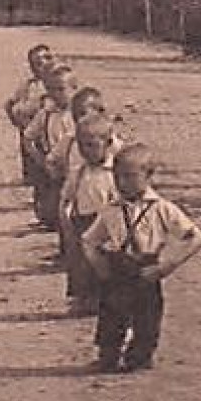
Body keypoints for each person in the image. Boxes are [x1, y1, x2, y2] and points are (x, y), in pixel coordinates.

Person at [81, 144, 201, 373]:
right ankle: (108, 355)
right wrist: (99, 265)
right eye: (118, 177)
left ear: (149, 176)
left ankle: (139, 357)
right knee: (111, 314)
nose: (123, 183)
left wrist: (166, 267)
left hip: (147, 269)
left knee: (147, 318)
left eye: (130, 177)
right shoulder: (111, 210)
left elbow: (196, 238)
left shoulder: (162, 209)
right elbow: (89, 240)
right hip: (118, 267)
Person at [57, 102, 122, 315]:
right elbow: (67, 196)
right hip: (83, 220)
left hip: (108, 222)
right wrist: (65, 218)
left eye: (93, 145)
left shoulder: (116, 171)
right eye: (82, 145)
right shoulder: (79, 171)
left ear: (108, 143)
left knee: (106, 262)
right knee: (81, 263)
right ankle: (83, 298)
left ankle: (106, 298)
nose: (87, 151)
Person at [23, 66, 78, 231]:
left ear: (74, 89)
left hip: (76, 165)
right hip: (54, 165)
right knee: (55, 211)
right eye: (52, 90)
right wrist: (40, 160)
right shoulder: (46, 114)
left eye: (61, 89)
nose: (56, 94)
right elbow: (28, 138)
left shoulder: (78, 113)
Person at [5, 43, 56, 185]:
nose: (43, 65)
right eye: (37, 63)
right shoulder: (29, 85)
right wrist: (16, 120)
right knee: (29, 148)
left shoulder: (58, 82)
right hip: (31, 123)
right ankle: (30, 176)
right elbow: (10, 103)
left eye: (48, 59)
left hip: (51, 122)